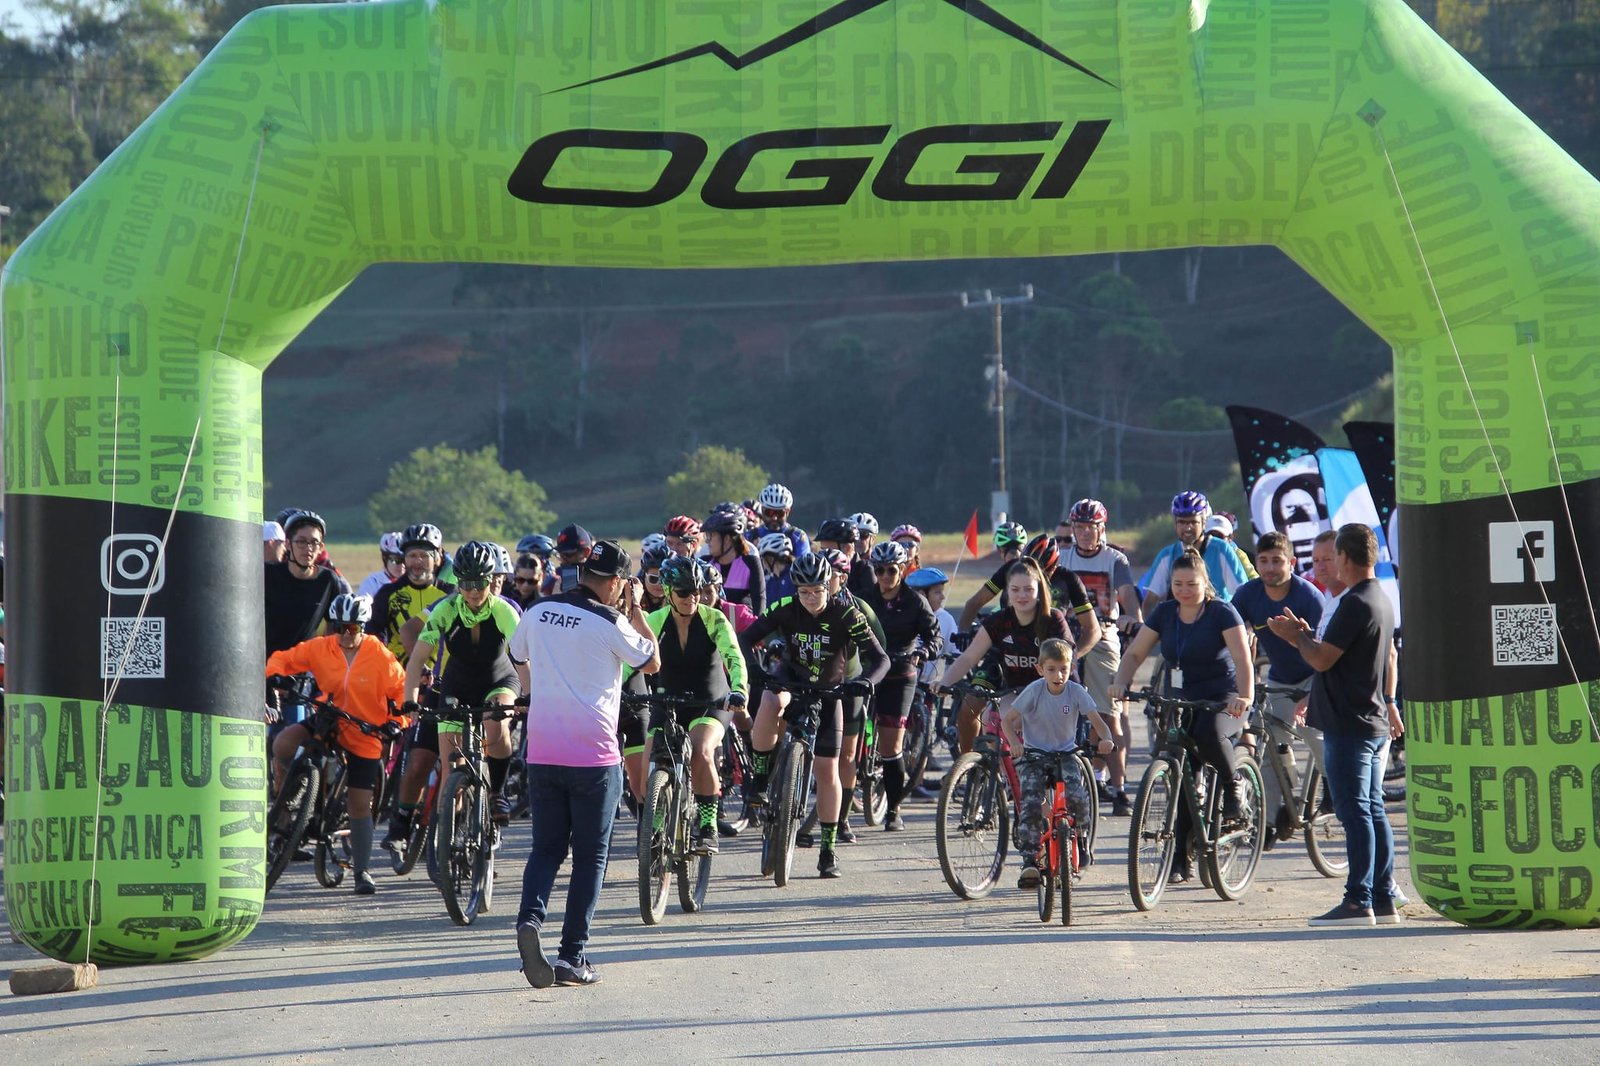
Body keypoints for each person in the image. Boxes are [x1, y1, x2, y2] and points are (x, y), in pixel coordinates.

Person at [512, 540, 659, 988]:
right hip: (594, 756)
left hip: (543, 751)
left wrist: (533, 691)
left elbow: (517, 655)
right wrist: (636, 611)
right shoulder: (613, 619)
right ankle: (572, 956)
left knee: (546, 849)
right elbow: (651, 662)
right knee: (590, 857)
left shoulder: (537, 611)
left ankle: (530, 920)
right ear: (616, 582)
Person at [1267, 524, 1403, 927]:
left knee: (1355, 809)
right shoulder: (1379, 597)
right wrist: (1306, 634)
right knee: (1371, 808)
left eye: (1332, 558)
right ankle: (1382, 897)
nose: (1329, 565)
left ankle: (1358, 899)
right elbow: (1338, 653)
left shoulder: (1357, 602)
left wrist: (1296, 639)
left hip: (1351, 721)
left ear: (1345, 558)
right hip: (1366, 716)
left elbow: (1323, 660)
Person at [739, 553, 888, 878]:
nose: (810, 599)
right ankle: (761, 779)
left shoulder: (846, 614)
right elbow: (746, 637)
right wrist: (755, 670)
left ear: (829, 586)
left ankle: (827, 849)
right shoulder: (785, 609)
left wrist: (864, 683)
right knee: (769, 700)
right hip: (791, 681)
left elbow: (881, 659)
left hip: (830, 692)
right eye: (803, 592)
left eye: (817, 591)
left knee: (826, 769)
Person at [1110, 550, 1254, 883]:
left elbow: (1243, 660)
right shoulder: (1165, 613)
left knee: (1207, 734)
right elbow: (1135, 653)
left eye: (1192, 584)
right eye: (1178, 584)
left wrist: (1244, 697)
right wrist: (1120, 682)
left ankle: (1234, 786)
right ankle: (1180, 855)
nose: (1184, 590)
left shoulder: (1221, 613)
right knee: (1182, 769)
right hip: (1181, 698)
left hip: (1223, 698)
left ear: (1206, 584)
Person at [266, 594, 406, 895]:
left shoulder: (380, 656)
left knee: (359, 804)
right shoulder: (321, 647)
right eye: (339, 627)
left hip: (365, 732)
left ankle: (362, 872)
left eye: (352, 629)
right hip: (329, 719)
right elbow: (284, 659)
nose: (344, 634)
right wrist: (275, 677)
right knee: (283, 744)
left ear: (363, 628)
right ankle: (302, 790)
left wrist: (397, 722)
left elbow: (402, 692)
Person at [633, 555, 748, 854]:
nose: (692, 598)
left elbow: (734, 658)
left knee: (701, 750)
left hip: (710, 701)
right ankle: (656, 830)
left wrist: (739, 690)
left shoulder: (714, 619)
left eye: (696, 591)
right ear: (669, 593)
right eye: (684, 592)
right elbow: (629, 662)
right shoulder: (655, 621)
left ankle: (708, 826)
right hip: (667, 701)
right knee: (647, 773)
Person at [401, 542, 522, 823]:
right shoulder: (445, 609)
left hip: (499, 679)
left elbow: (524, 658)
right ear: (458, 581)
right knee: (450, 767)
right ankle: (449, 838)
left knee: (495, 722)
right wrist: (410, 699)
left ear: (491, 579)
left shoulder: (504, 611)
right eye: (466, 583)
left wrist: (529, 696)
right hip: (458, 683)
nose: (473, 591)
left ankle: (497, 793)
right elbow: (417, 660)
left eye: (480, 582)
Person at [1230, 530, 1324, 847]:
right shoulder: (1248, 594)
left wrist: (1316, 693)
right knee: (1270, 749)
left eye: (1277, 561)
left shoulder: (1308, 598)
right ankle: (1270, 821)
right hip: (1280, 680)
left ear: (1292, 563)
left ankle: (1335, 797)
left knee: (1318, 740)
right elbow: (1228, 630)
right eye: (1264, 561)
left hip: (1315, 678)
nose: (1270, 568)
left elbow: (1328, 649)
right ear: (1256, 563)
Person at [1003, 638, 1116, 887]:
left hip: (1065, 754)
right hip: (1034, 754)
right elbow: (1007, 721)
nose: (1058, 675)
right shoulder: (1034, 690)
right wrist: (1014, 742)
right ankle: (1030, 859)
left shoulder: (1076, 691)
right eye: (1051, 669)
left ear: (1072, 667)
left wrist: (1106, 738)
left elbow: (1097, 720)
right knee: (1031, 802)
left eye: (1064, 668)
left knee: (1078, 797)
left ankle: (1083, 841)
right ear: (1040, 669)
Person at [936, 557, 1072, 754]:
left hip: (1050, 691)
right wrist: (945, 681)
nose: (1022, 595)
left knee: (1036, 740)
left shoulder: (1052, 619)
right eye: (1015, 590)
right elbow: (969, 657)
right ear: (1007, 591)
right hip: (1013, 690)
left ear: (1039, 591)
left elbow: (1067, 659)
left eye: (1028, 589)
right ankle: (993, 773)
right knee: (995, 721)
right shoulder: (998, 621)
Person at [1059, 499, 1141, 815]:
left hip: (1103, 633)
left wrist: (1133, 616)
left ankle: (1118, 789)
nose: (1083, 534)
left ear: (1101, 529)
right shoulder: (1062, 556)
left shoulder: (1114, 559)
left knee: (1109, 712)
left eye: (1089, 528)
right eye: (1078, 527)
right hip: (1065, 633)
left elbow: (1127, 593)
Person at [859, 540, 943, 830]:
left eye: (891, 570)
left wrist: (922, 651)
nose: (885, 577)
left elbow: (935, 637)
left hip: (900, 673)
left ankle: (893, 809)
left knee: (890, 745)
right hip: (870, 671)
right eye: (879, 570)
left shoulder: (915, 601)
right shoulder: (866, 596)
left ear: (903, 569)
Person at [1139, 491, 1253, 613]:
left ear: (1204, 523)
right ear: (1175, 524)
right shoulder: (1166, 555)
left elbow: (1242, 593)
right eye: (1182, 522)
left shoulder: (1221, 549)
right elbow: (1150, 601)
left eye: (1193, 522)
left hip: (1218, 622)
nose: (1187, 528)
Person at [264, 510, 351, 658]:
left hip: (303, 667)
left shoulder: (327, 579)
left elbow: (334, 627)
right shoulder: (268, 574)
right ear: (288, 544)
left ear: (321, 547)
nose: (308, 548)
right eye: (301, 542)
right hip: (264, 664)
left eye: (314, 542)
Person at [955, 520, 1030, 629]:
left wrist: (961, 635)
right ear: (1024, 547)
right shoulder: (1035, 565)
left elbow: (973, 604)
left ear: (1000, 550)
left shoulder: (1007, 569)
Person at [704, 508, 766, 614]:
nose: (708, 542)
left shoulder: (750, 563)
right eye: (707, 536)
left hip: (743, 627)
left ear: (727, 538)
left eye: (712, 536)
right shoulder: (704, 563)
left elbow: (759, 603)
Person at [748, 483, 810, 557]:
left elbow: (803, 565)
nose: (774, 518)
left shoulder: (797, 536)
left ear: (788, 512)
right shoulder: (749, 536)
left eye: (780, 513)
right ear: (762, 510)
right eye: (769, 513)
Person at [357, 532, 406, 599]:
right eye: (396, 560)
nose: (402, 565)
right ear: (384, 558)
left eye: (405, 560)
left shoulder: (415, 582)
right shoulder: (372, 583)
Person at [550, 524, 594, 595]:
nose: (563, 559)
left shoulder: (598, 579)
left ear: (587, 552)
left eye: (568, 554)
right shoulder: (556, 578)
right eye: (561, 554)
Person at [758, 531, 796, 608]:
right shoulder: (770, 581)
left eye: (764, 559)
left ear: (771, 559)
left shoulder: (795, 578)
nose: (763, 564)